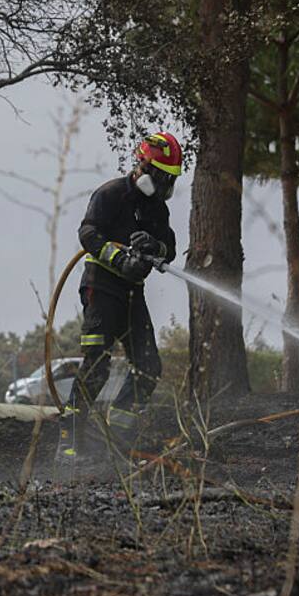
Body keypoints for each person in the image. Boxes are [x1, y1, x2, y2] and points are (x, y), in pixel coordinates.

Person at [60, 132, 182, 463]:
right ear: (144, 166)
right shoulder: (112, 194)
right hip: (101, 287)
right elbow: (88, 232)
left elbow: (168, 248)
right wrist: (117, 257)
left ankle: (118, 433)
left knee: (148, 366)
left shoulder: (158, 209)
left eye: (170, 179)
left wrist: (153, 246)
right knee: (97, 364)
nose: (164, 184)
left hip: (132, 293)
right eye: (161, 176)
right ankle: (69, 442)